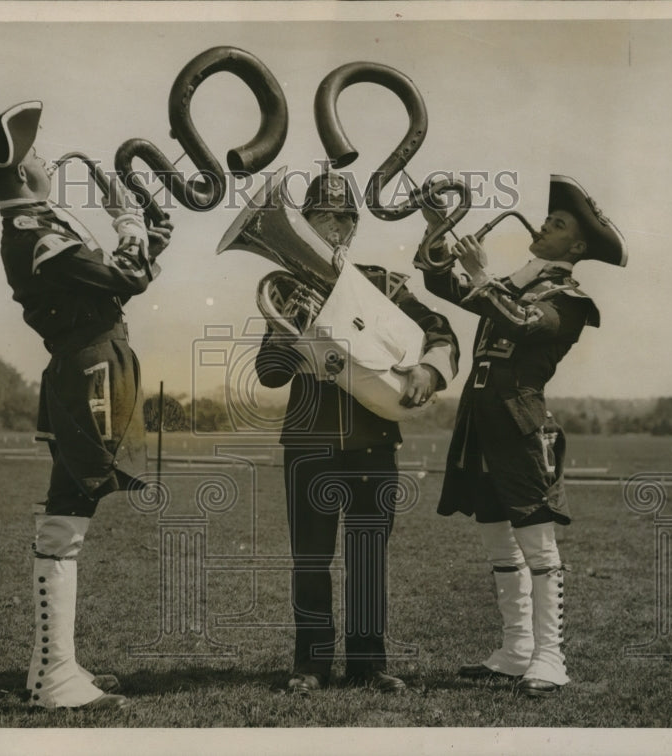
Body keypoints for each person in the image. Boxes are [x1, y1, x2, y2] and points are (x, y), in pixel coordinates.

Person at [0, 101, 173, 710]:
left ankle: (53, 666)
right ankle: (55, 677)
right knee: (69, 517)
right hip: (88, 368)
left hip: (95, 362)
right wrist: (129, 227)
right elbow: (125, 279)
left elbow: (120, 277)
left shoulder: (42, 222)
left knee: (69, 516)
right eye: (37, 155)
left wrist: (149, 238)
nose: (46, 159)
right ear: (20, 173)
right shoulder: (34, 232)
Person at [417, 174, 626, 696]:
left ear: (576, 247)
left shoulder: (570, 299)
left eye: (555, 225)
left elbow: (523, 324)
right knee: (496, 537)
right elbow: (442, 283)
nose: (542, 225)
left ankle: (550, 657)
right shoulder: (513, 282)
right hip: (481, 424)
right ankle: (515, 651)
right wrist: (436, 229)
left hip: (520, 424)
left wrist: (483, 275)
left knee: (537, 543)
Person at [255, 171, 460, 695]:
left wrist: (430, 372)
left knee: (368, 556)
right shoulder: (286, 286)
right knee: (311, 560)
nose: (340, 226)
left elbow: (440, 330)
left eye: (348, 217)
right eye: (328, 216)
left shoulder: (383, 283)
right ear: (304, 223)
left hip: (373, 442)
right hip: (309, 442)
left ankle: (368, 665)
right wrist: (293, 332)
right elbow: (269, 371)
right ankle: (311, 666)